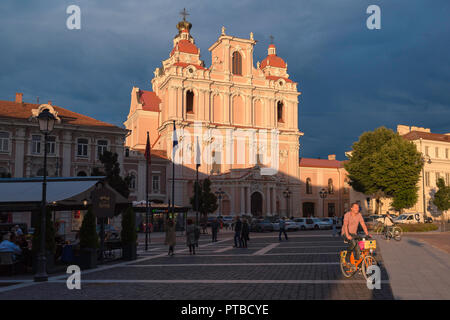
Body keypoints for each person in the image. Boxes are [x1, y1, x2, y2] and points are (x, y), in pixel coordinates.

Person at [341, 202, 371, 269]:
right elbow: (345, 225)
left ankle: (359, 264)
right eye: (355, 207)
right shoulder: (347, 215)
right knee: (353, 243)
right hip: (345, 233)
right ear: (351, 208)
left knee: (359, 247)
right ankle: (347, 257)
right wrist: (347, 235)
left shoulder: (359, 215)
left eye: (358, 207)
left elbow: (363, 224)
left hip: (354, 234)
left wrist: (367, 233)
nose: (357, 209)